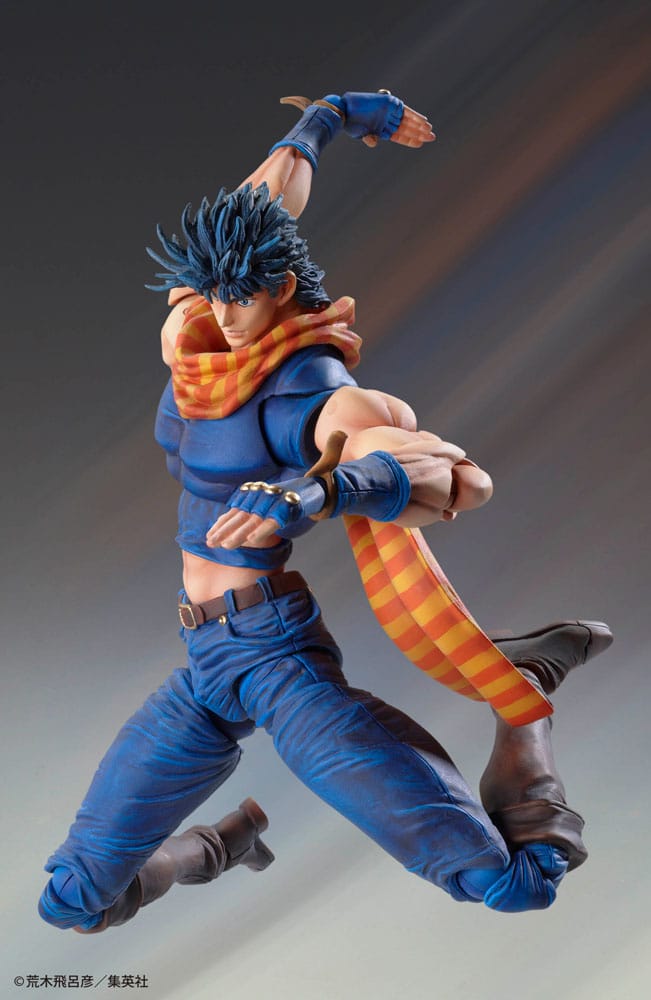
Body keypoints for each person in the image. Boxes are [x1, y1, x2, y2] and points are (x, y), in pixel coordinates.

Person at [38, 91, 612, 933]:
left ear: (278, 289)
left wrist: (316, 489)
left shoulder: (315, 393)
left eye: (239, 301)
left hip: (276, 657)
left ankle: (521, 698)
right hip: (205, 662)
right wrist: (332, 116)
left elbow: (458, 481)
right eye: (211, 295)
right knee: (73, 902)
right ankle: (220, 847)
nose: (221, 317)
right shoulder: (202, 333)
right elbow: (264, 197)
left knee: (509, 885)